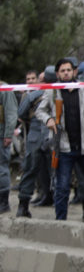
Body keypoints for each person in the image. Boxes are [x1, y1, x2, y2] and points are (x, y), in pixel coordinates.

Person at [35, 58, 84, 223]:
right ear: (58, 73)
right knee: (62, 188)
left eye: (68, 70)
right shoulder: (52, 91)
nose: (66, 73)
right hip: (63, 146)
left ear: (74, 71)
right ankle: (61, 222)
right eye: (62, 70)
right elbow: (40, 111)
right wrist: (48, 120)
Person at [15, 70, 51, 217]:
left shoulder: (34, 94)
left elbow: (22, 112)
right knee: (44, 170)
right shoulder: (58, 91)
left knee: (32, 170)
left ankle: (23, 205)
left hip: (39, 133)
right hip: (50, 132)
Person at [0, 79, 17, 214]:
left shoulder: (4, 89)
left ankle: (3, 203)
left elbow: (11, 113)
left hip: (1, 136)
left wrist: (8, 134)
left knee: (1, 168)